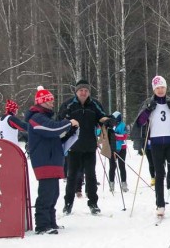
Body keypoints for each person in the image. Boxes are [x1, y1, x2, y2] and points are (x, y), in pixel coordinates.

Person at [132, 75, 170, 217]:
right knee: (159, 174)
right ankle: (160, 204)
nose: (160, 90)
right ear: (154, 90)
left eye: (162, 87)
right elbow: (140, 122)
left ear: (166, 88)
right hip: (155, 143)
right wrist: (147, 110)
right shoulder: (149, 103)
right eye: (157, 88)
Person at [25, 86, 79, 234]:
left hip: (53, 160)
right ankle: (42, 225)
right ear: (41, 102)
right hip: (44, 161)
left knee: (53, 193)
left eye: (52, 101)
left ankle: (50, 222)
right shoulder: (36, 118)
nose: (52, 104)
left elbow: (56, 138)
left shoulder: (45, 118)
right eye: (49, 101)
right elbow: (52, 130)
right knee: (46, 194)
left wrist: (70, 133)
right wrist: (68, 123)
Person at [58, 79, 114, 215]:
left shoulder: (94, 104)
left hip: (89, 146)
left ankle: (93, 203)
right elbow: (59, 120)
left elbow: (102, 117)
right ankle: (68, 203)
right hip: (73, 146)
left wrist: (108, 121)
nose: (83, 93)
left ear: (89, 92)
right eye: (81, 90)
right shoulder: (68, 104)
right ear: (76, 92)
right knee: (72, 176)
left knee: (91, 176)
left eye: (86, 90)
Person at [108, 111, 129, 192]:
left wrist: (115, 135)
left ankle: (124, 184)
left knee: (121, 166)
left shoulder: (122, 125)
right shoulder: (110, 125)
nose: (113, 120)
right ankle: (111, 184)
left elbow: (124, 136)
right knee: (112, 166)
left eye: (114, 119)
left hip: (122, 148)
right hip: (112, 148)